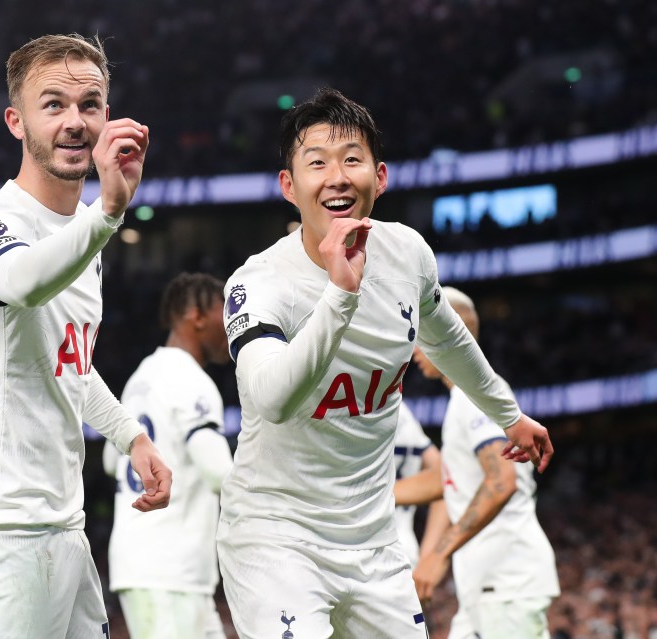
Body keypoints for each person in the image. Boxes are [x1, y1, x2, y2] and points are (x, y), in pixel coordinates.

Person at [217, 87, 554, 638]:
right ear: (288, 186)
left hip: (374, 541)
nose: (337, 176)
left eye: (352, 159)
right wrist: (340, 297)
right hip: (275, 538)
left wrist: (508, 414)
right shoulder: (258, 284)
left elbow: (447, 340)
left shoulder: (407, 254)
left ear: (381, 177)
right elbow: (270, 400)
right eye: (317, 163)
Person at [0, 33, 172, 639]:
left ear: (106, 118)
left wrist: (129, 437)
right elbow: (22, 281)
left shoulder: (80, 238)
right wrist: (108, 212)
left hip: (61, 523)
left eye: (89, 105)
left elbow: (68, 364)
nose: (74, 121)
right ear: (16, 121)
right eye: (53, 104)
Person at [395, 287, 560, 639]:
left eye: (422, 336)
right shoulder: (464, 399)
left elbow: (501, 481)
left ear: (446, 333)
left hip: (507, 582)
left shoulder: (475, 398)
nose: (414, 348)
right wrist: (372, 497)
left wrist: (437, 553)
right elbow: (448, 480)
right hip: (487, 587)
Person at [103, 272, 234, 639]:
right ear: (197, 315)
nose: (231, 326)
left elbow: (110, 463)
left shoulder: (140, 377)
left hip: (147, 561)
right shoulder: (191, 380)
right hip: (171, 566)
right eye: (224, 314)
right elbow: (219, 473)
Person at [393, 401, 450, 568]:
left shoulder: (345, 410)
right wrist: (428, 554)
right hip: (405, 549)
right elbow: (445, 476)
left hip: (354, 549)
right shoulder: (401, 410)